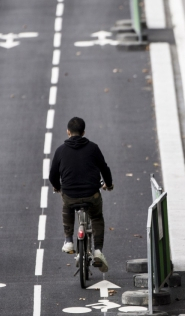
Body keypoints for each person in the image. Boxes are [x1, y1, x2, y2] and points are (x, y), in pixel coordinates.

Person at [49, 117, 113, 273]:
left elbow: (52, 175)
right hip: (92, 194)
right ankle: (97, 250)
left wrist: (58, 187)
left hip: (70, 194)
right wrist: (108, 184)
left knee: (67, 207)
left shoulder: (60, 150)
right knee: (96, 217)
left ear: (68, 132)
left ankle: (69, 240)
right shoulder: (93, 148)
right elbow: (104, 169)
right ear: (84, 132)